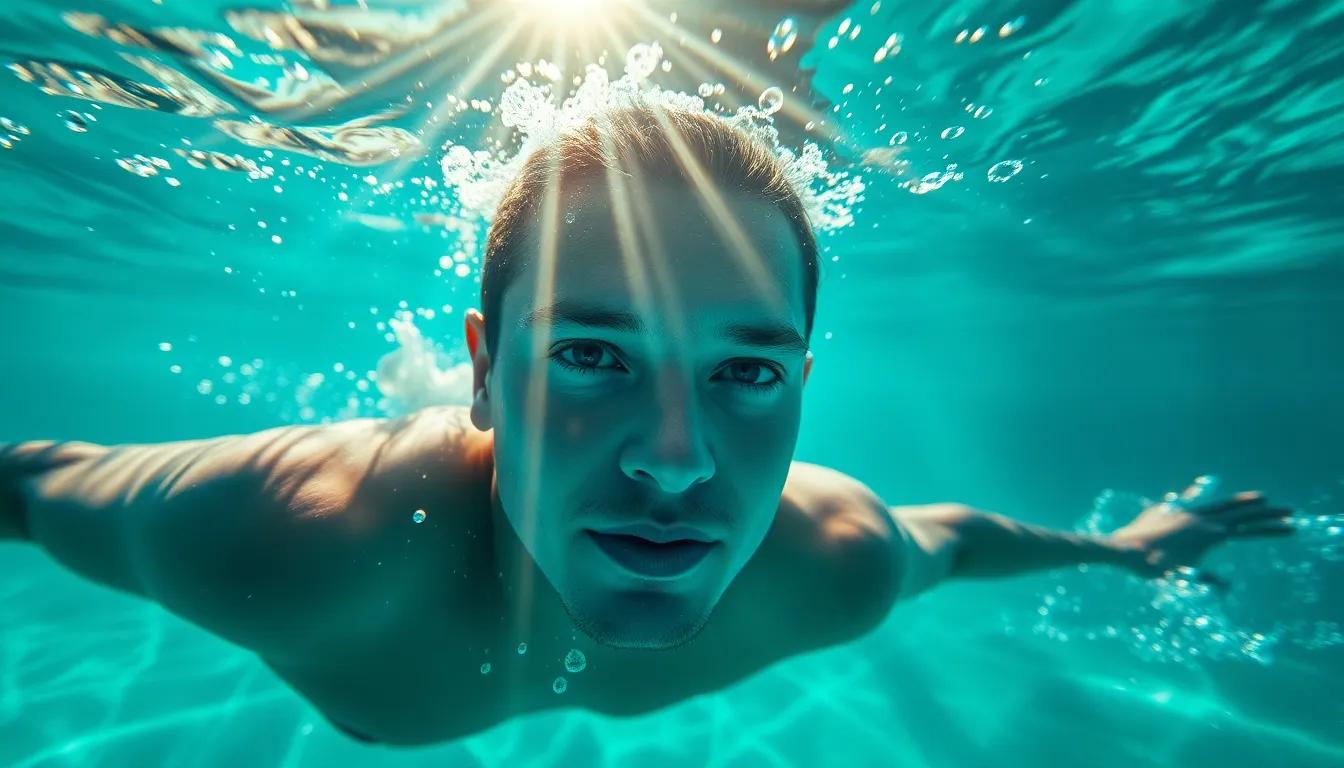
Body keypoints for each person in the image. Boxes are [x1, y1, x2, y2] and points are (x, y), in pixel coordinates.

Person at [0, 106, 1296, 747]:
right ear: (489, 368)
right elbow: (32, 478)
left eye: (747, 373)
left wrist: (1127, 550)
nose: (676, 459)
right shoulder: (283, 538)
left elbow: (949, 535)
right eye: (593, 352)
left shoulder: (830, 560)